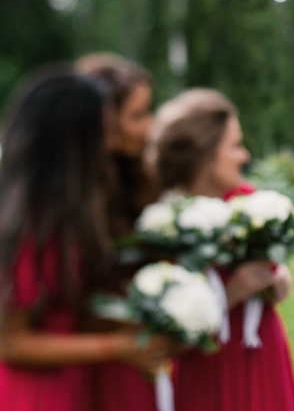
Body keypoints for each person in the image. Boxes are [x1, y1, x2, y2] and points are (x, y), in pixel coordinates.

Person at [0, 69, 171, 411]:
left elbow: (64, 316)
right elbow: (11, 342)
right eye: (104, 133)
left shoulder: (64, 217)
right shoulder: (34, 227)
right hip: (34, 395)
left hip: (69, 387)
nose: (110, 144)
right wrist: (117, 347)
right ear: (73, 143)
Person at [147, 89, 294, 411]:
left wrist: (277, 281)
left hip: (260, 354)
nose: (244, 156)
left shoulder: (246, 200)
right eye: (234, 146)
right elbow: (161, 335)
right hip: (204, 367)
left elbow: (281, 278)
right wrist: (232, 293)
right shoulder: (164, 224)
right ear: (205, 154)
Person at [77, 53, 161, 411]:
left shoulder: (143, 179)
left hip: (134, 357)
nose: (150, 125)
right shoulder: (72, 198)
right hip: (84, 358)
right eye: (137, 115)